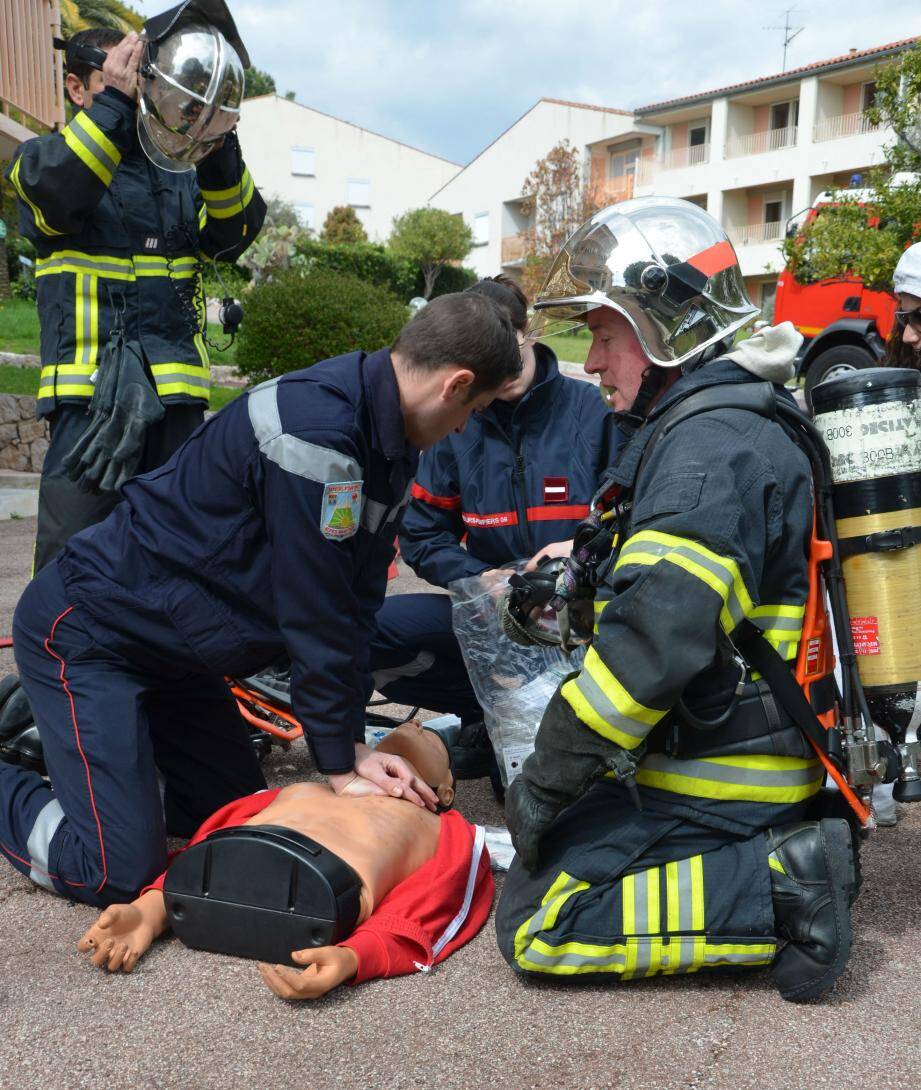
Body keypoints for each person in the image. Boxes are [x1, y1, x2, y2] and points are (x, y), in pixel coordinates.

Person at [0, 292, 521, 909]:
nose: (463, 428)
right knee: (113, 870)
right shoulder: (318, 432)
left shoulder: (387, 441)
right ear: (455, 384)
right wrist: (340, 759)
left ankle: (103, 782)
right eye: (475, 409)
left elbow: (355, 606)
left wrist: (349, 740)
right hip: (90, 636)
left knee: (234, 817)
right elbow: (315, 605)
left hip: (174, 655)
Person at [495, 197, 858, 1003]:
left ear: (663, 331)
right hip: (734, 761)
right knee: (551, 854)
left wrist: (545, 781)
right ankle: (783, 860)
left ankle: (781, 887)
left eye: (602, 334)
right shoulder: (727, 422)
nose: (589, 362)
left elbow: (650, 648)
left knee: (538, 916)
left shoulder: (706, 449)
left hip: (724, 783)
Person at [4, 25, 265, 574]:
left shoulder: (179, 178)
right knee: (74, 561)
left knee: (179, 559)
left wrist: (218, 141)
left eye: (138, 84)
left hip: (177, 409)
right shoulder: (43, 161)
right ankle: (60, 661)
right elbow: (62, 192)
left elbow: (235, 231)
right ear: (78, 90)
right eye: (115, 82)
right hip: (90, 406)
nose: (137, 97)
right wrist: (116, 106)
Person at [371, 275, 619, 778]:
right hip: (494, 611)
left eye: (506, 343)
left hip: (584, 619)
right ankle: (485, 715)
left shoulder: (595, 412)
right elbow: (421, 532)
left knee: (537, 796)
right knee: (368, 633)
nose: (496, 367)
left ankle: (580, 725)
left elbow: (637, 516)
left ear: (529, 333)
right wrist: (478, 579)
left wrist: (581, 550)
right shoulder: (455, 420)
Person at [76, 721, 493, 1000]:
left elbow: (441, 894)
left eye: (432, 738)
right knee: (228, 852)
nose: (413, 725)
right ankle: (157, 915)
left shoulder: (445, 824)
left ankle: (190, 903)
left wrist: (357, 956)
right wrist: (153, 903)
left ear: (445, 791)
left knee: (241, 858)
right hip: (239, 855)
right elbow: (224, 826)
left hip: (328, 885)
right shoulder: (311, 787)